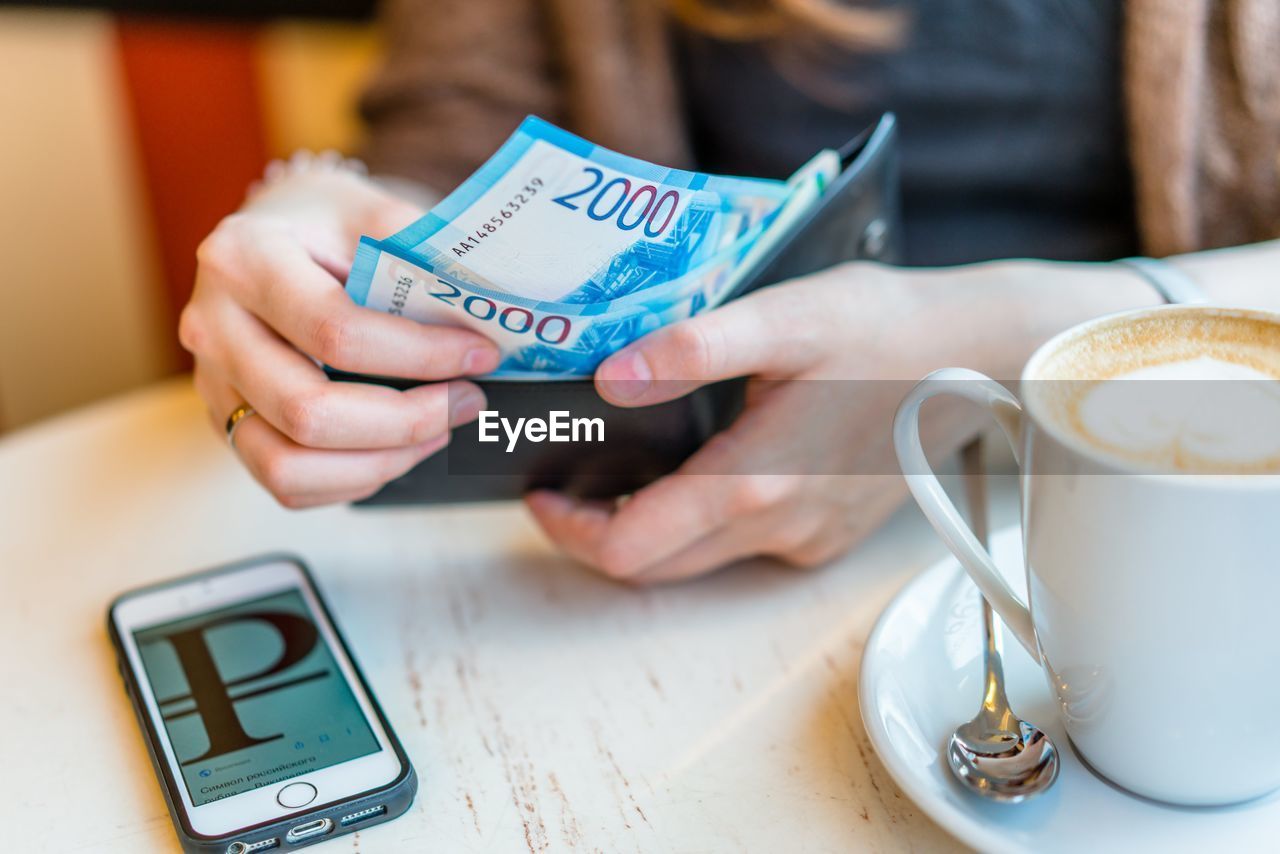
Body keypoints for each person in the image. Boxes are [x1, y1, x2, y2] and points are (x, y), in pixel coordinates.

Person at [180, 0, 1280, 584]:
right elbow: (450, 141)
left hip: (1191, 524)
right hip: (697, 567)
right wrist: (312, 217)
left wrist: (987, 349)